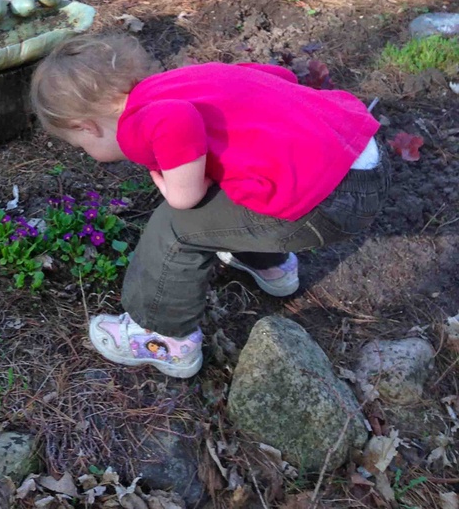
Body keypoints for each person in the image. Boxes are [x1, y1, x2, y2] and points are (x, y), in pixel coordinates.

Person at [30, 33, 389, 379]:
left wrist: (174, 189)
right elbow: (275, 75)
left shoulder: (134, 126)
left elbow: (179, 137)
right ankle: (268, 263)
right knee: (230, 174)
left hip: (330, 202)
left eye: (79, 145)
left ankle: (163, 335)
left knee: (176, 225)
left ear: (87, 126)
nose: (88, 155)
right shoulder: (181, 80)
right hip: (358, 153)